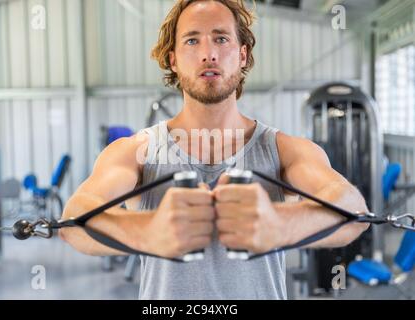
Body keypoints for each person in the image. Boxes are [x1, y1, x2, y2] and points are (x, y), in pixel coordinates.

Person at [59, 0, 369, 299]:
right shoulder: (136, 151)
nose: (208, 54)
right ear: (173, 60)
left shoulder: (285, 150)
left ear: (243, 55)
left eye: (221, 39)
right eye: (192, 41)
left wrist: (280, 225)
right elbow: (74, 220)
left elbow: (354, 211)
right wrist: (148, 232)